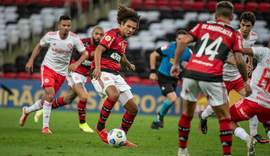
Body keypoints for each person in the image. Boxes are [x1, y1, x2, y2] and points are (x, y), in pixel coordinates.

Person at [170, 1, 252, 156]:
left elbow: (182, 41)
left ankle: (182, 151)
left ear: (215, 15)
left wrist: (175, 64)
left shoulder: (202, 26)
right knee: (224, 117)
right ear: (233, 17)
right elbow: (240, 61)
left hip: (191, 72)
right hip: (212, 75)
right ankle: (227, 154)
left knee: (187, 113)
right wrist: (246, 82)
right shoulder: (234, 35)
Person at [198, 12, 269, 143]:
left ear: (252, 26)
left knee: (251, 97)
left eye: (248, 26)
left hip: (237, 77)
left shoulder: (253, 36)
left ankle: (254, 134)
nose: (244, 28)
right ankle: (203, 116)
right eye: (242, 25)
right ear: (239, 24)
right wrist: (237, 62)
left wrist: (249, 62)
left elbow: (250, 48)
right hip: (223, 77)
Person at [19, 15, 88, 134]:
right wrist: (30, 61)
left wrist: (76, 64)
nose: (66, 28)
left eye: (68, 26)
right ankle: (45, 127)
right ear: (59, 26)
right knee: (50, 95)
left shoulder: (74, 38)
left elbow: (85, 54)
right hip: (48, 68)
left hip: (62, 73)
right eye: (64, 25)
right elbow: (38, 46)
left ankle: (27, 110)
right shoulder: (50, 36)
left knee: (46, 99)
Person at [33, 26, 104, 133]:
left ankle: (43, 109)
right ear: (92, 34)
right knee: (84, 96)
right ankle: (83, 124)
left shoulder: (101, 49)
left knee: (68, 99)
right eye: (97, 34)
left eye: (101, 35)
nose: (98, 36)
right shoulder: (83, 44)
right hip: (74, 73)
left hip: (84, 76)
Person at [91, 4, 140, 147]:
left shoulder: (123, 41)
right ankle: (100, 128)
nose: (130, 30)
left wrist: (129, 65)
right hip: (101, 71)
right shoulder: (112, 34)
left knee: (133, 109)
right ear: (122, 23)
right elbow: (99, 50)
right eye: (128, 27)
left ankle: (122, 137)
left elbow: (121, 56)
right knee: (114, 94)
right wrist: (98, 68)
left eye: (133, 28)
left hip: (115, 74)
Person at [230, 44, 270, 155]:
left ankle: (248, 138)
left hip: (252, 100)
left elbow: (243, 50)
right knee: (267, 126)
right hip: (268, 105)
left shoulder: (264, 51)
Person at [149, 30, 192, 129]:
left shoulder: (188, 52)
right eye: (179, 39)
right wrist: (152, 72)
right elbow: (153, 55)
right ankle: (159, 117)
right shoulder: (169, 47)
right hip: (163, 76)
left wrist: (187, 66)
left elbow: (192, 66)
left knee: (169, 100)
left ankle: (156, 122)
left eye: (183, 39)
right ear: (176, 39)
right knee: (173, 99)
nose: (181, 41)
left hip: (174, 78)